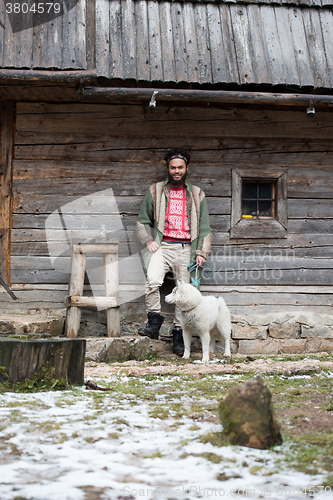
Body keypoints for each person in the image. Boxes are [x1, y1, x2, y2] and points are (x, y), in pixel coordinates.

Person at [135, 148, 212, 356]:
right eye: (173, 167)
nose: (176, 171)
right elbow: (141, 221)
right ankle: (154, 323)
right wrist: (148, 239)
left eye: (180, 167)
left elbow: (205, 229)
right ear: (167, 168)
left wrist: (201, 253)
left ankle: (178, 335)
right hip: (163, 246)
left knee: (183, 291)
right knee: (152, 280)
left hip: (187, 247)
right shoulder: (156, 191)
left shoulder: (197, 194)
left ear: (186, 168)